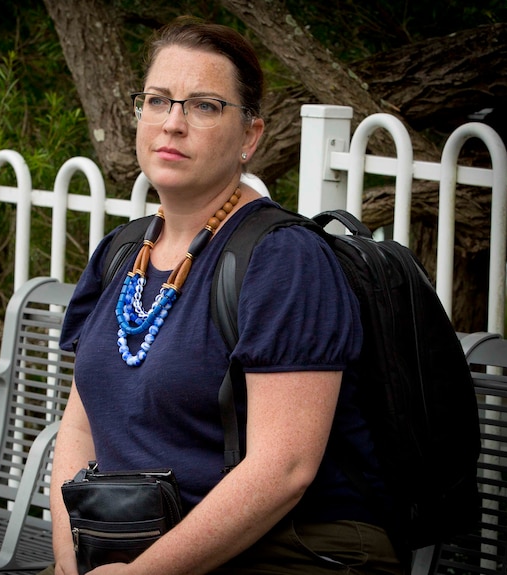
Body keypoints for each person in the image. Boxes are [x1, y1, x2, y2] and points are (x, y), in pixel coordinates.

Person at [46, 16, 404, 575]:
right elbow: (80, 427)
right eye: (158, 100)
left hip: (289, 551)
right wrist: (72, 559)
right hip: (134, 549)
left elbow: (284, 470)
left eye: (204, 105)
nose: (173, 123)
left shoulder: (284, 260)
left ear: (250, 137)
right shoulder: (121, 252)